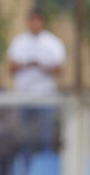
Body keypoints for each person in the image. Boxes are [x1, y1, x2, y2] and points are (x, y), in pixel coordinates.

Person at [7, 8, 65, 157]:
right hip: (24, 96)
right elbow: (11, 67)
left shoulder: (53, 43)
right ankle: (26, 170)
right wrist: (26, 65)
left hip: (45, 96)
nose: (35, 24)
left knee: (45, 135)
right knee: (24, 137)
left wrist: (42, 67)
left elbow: (60, 70)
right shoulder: (19, 42)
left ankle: (43, 167)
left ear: (42, 21)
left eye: (37, 20)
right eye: (32, 20)